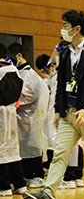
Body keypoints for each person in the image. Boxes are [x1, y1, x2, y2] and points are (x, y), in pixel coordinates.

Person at [23, 10, 84, 199]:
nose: (62, 29)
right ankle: (48, 193)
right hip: (68, 113)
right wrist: (58, 110)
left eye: (65, 25)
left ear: (77, 29)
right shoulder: (65, 53)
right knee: (60, 153)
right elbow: (61, 84)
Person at [36, 53, 84, 189]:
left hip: (64, 114)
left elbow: (56, 101)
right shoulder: (54, 78)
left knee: (65, 146)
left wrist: (57, 115)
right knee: (73, 145)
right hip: (67, 113)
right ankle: (75, 176)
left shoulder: (59, 78)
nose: (45, 74)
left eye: (46, 70)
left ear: (52, 66)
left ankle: (70, 176)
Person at [7, 43, 49, 189]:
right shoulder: (18, 73)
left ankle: (35, 176)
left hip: (29, 120)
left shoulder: (30, 75)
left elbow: (24, 96)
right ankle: (25, 176)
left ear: (19, 56)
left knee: (31, 150)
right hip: (19, 120)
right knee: (21, 151)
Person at [0, 44, 27, 196]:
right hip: (12, 111)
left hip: (1, 112)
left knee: (1, 150)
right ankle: (20, 184)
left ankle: (4, 187)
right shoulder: (15, 70)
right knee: (13, 149)